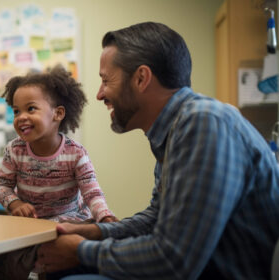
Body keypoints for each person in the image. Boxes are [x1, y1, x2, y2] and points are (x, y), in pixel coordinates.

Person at [36, 22, 279, 279]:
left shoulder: (204, 122)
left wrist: (82, 251)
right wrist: (96, 232)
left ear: (141, 78)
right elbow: (157, 218)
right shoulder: (176, 128)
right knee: (58, 267)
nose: (99, 94)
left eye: (106, 80)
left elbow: (174, 260)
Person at [0, 66, 117, 280]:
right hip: (30, 224)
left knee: (65, 249)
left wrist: (104, 215)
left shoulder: (76, 153)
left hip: (69, 223)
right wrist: (16, 204)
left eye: (31, 109)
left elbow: (92, 193)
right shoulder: (14, 150)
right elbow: (2, 185)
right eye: (16, 111)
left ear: (58, 114)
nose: (21, 117)